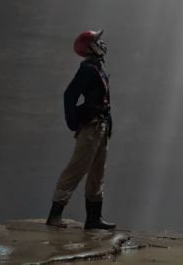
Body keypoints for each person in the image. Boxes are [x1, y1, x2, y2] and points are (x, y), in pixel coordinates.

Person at [46, 29, 116, 230]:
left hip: (100, 127)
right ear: (90, 46)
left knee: (97, 172)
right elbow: (69, 94)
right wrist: (73, 122)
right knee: (76, 169)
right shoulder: (87, 69)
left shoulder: (97, 68)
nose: (102, 43)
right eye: (97, 40)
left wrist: (108, 125)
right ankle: (55, 215)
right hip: (91, 128)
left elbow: (104, 101)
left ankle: (94, 219)